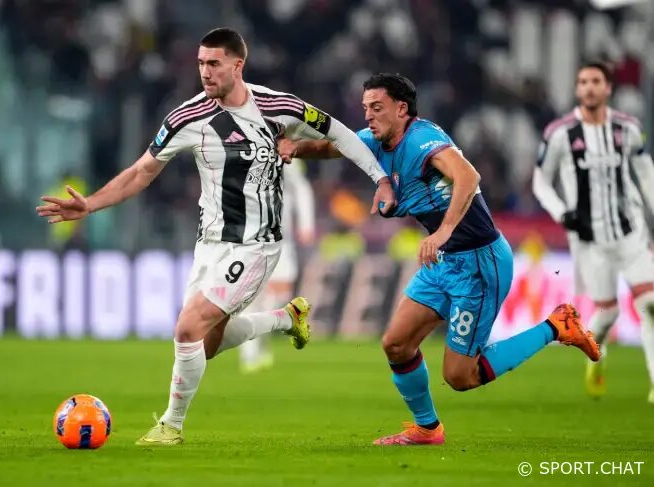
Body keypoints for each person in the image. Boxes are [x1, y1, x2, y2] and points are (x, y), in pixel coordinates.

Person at [36, 28, 395, 446]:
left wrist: (381, 179)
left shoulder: (278, 107)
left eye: (214, 64)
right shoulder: (186, 118)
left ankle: (171, 426)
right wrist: (91, 205)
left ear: (237, 65)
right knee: (204, 345)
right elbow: (141, 172)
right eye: (200, 63)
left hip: (257, 245)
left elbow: (340, 133)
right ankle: (285, 318)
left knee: (188, 328)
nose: (205, 72)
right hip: (209, 244)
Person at [279, 73, 600, 446]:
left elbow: (468, 176)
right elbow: (332, 146)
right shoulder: (376, 139)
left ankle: (557, 326)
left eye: (377, 107)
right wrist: (293, 146)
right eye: (366, 108)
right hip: (445, 261)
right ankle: (427, 429)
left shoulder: (422, 139)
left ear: (402, 109)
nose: (368, 115)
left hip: (479, 262)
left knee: (460, 376)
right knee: (396, 344)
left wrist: (444, 230)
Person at [533, 61, 654, 403]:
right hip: (589, 238)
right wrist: (562, 213)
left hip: (631, 231)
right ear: (577, 89)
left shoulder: (628, 128)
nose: (589, 87)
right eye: (583, 81)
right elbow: (541, 181)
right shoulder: (560, 133)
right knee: (608, 312)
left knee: (650, 304)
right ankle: (595, 358)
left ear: (608, 88)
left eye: (596, 81)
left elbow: (646, 172)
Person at [239, 160, 316, 373]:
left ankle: (260, 343)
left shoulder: (286, 158)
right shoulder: (242, 155)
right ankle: (249, 354)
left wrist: (306, 224)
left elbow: (301, 188)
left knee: (280, 296)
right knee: (253, 298)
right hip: (250, 240)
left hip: (282, 239)